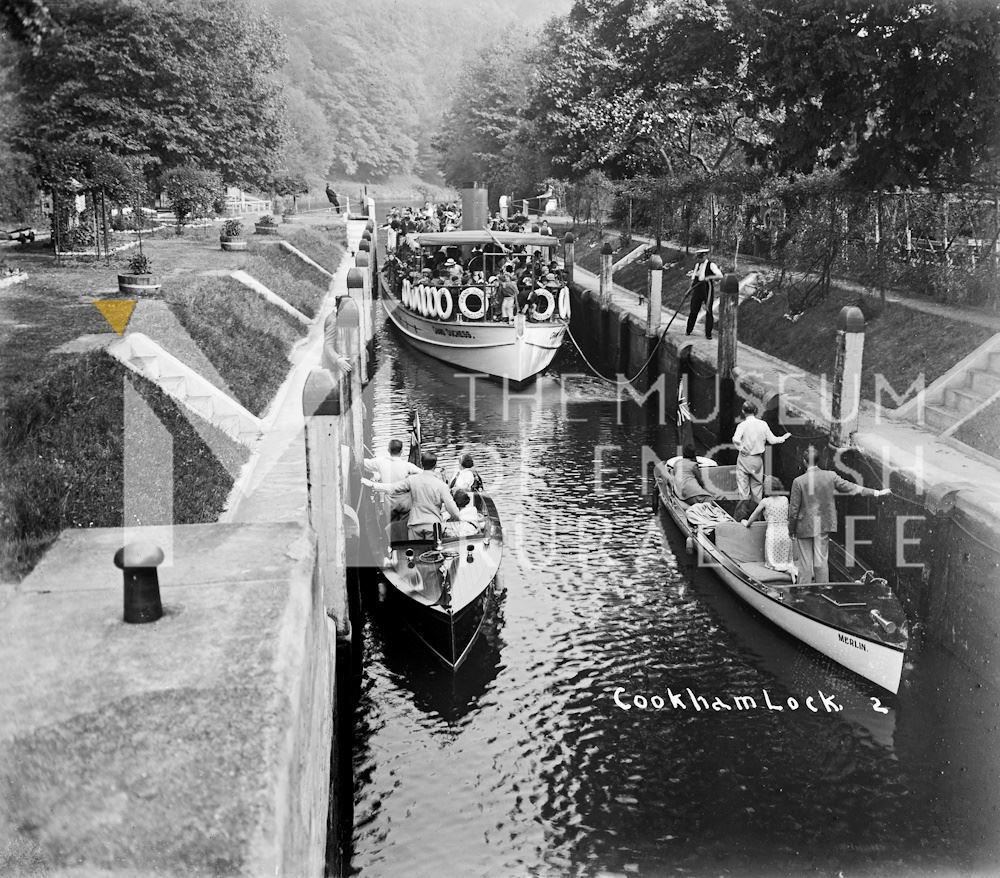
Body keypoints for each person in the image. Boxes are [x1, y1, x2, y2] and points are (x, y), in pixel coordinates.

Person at [788, 446, 891, 585]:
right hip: (824, 524)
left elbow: (793, 510)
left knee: (805, 563)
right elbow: (851, 487)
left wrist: (791, 530)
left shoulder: (798, 481)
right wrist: (877, 492)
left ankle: (802, 592)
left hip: (804, 526)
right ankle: (823, 590)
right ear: (818, 461)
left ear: (804, 461)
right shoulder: (830, 476)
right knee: (821, 561)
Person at [363, 450, 461, 541]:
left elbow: (392, 488)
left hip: (415, 525)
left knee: (415, 553)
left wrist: (372, 484)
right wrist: (460, 519)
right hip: (433, 526)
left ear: (422, 464)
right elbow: (452, 510)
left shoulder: (412, 480)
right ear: (435, 465)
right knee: (432, 555)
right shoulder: (442, 485)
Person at [732, 400, 789, 513]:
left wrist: (741, 448)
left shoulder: (742, 425)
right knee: (757, 488)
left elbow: (736, 439)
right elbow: (772, 440)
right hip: (757, 459)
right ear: (756, 411)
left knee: (743, 489)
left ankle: (742, 516)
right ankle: (757, 516)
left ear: (743, 411)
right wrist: (783, 437)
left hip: (744, 458)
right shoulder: (763, 424)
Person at [743, 477, 798, 581]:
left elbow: (754, 515)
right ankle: (792, 570)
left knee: (772, 564)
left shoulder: (765, 501)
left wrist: (747, 523)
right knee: (785, 562)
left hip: (773, 535)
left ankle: (789, 571)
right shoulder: (785, 499)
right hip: (786, 534)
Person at [364, 440, 421, 518]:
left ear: (388, 450)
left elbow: (364, 463)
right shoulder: (407, 466)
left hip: (389, 502)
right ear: (401, 452)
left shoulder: (379, 461)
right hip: (404, 501)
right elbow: (423, 474)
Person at [685, 248, 723, 338]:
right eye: (698, 257)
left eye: (700, 257)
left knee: (708, 311)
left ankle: (708, 334)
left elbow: (720, 276)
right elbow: (693, 279)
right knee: (693, 310)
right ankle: (688, 330)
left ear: (705, 256)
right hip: (697, 289)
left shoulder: (711, 265)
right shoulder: (697, 265)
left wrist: (709, 277)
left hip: (707, 289)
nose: (698, 259)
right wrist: (689, 290)